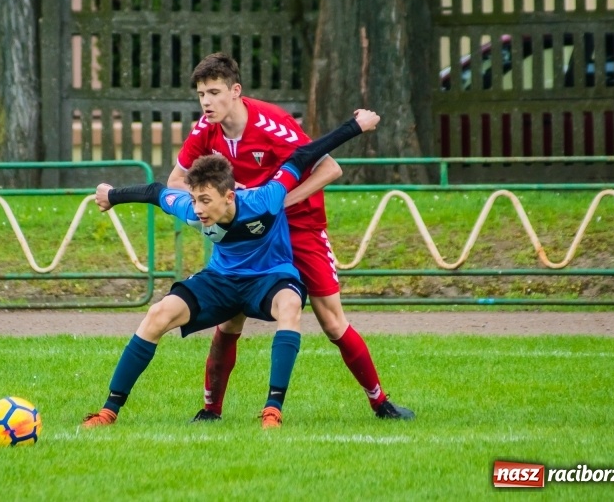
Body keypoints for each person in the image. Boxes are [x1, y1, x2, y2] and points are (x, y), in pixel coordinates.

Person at [81, 109, 382, 430]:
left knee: (291, 305)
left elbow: (303, 154)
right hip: (222, 281)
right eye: (194, 200)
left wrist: (355, 126)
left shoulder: (265, 198)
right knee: (158, 313)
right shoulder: (193, 209)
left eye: (205, 201)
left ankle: (272, 410)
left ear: (229, 196)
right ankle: (108, 411)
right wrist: (112, 195)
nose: (197, 210)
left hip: (269, 279)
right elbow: (156, 192)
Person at [168, 53, 414, 422]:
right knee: (229, 318)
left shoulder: (272, 123)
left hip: (301, 226)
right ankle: (210, 412)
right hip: (247, 236)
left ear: (236, 91)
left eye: (214, 92)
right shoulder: (205, 130)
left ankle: (381, 403)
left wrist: (278, 204)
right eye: (201, 93)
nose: (206, 102)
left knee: (331, 320)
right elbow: (175, 181)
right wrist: (208, 212)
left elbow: (330, 168)